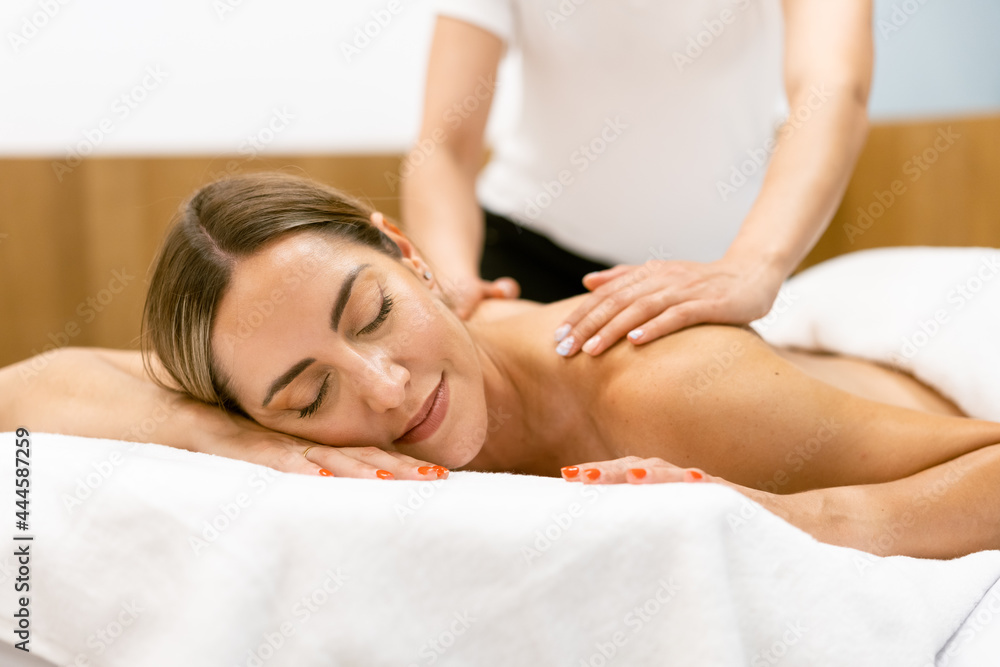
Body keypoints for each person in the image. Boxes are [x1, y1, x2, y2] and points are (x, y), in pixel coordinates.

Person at [3, 173, 999, 560]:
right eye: (309, 393)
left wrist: (772, 514)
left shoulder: (664, 391)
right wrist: (232, 437)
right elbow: (24, 392)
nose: (385, 389)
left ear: (410, 255)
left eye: (375, 316)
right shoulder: (267, 378)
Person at [399, 0, 874, 359]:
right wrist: (453, 282)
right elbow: (442, 146)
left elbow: (833, 89)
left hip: (714, 281)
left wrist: (755, 265)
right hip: (522, 267)